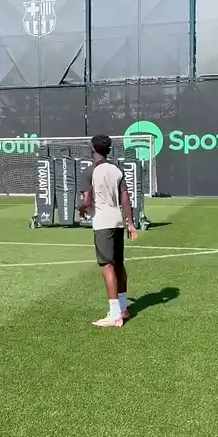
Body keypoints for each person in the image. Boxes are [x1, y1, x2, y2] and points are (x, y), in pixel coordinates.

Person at [79, 134, 138, 327]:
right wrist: (130, 223)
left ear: (92, 150)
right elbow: (125, 198)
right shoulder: (116, 170)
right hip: (118, 222)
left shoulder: (90, 171)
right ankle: (123, 307)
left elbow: (86, 201)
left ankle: (115, 315)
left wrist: (81, 208)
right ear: (109, 150)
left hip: (103, 223)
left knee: (107, 267)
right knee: (119, 264)